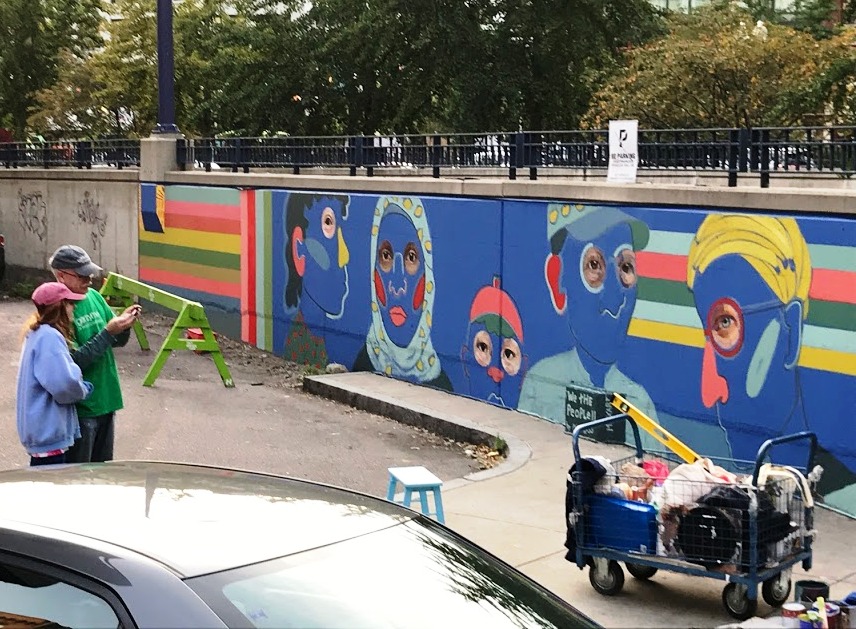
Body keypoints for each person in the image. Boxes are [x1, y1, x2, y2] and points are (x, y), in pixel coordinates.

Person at [518, 203, 658, 444]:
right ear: (558, 281)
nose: (614, 300)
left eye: (626, 268)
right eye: (594, 266)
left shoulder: (640, 401)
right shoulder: (540, 384)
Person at [49, 244, 140, 463]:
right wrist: (108, 332)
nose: (89, 280)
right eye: (82, 275)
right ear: (61, 276)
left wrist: (124, 326)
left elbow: (116, 341)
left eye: (90, 274)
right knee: (80, 474)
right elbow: (72, 363)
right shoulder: (57, 310)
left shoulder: (94, 297)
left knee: (103, 473)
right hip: (82, 409)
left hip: (107, 400)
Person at [16, 282, 93, 466]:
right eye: (70, 303)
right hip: (49, 433)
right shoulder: (50, 337)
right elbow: (64, 384)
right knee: (51, 480)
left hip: (40, 432)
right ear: (60, 307)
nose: (74, 308)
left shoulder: (35, 333)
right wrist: (82, 389)